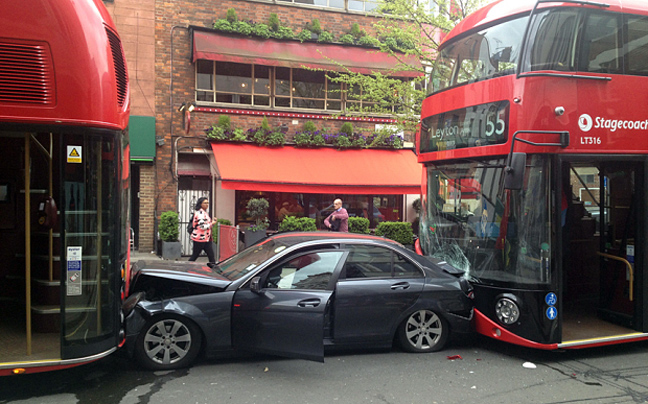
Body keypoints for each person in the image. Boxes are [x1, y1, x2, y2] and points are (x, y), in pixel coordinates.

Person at [189, 197, 216, 263]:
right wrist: (212, 224)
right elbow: (202, 226)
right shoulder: (200, 213)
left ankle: (215, 269)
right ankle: (185, 268)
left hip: (206, 238)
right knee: (195, 255)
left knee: (211, 255)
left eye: (207, 203)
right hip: (200, 238)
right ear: (200, 204)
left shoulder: (203, 213)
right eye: (205, 203)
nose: (207, 204)